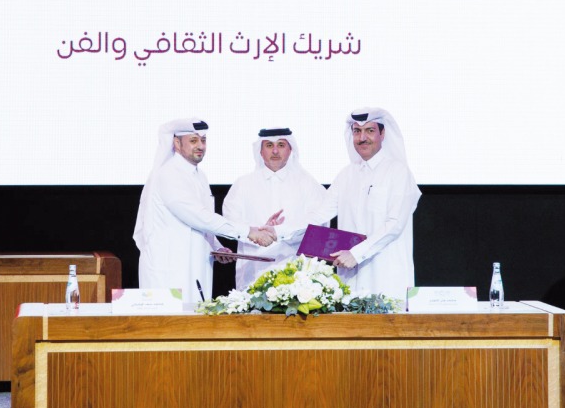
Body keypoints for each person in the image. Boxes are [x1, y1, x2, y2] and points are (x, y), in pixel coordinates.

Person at [133, 118, 274, 297]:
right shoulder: (168, 174)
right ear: (177, 143)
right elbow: (196, 216)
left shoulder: (200, 176)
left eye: (203, 140)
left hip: (195, 266)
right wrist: (248, 231)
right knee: (170, 323)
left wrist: (216, 247)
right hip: (170, 270)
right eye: (193, 141)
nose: (200, 146)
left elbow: (203, 220)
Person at [305, 107, 420, 301]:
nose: (362, 138)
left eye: (370, 130)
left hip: (386, 277)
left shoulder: (399, 172)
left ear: (383, 134)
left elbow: (394, 225)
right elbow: (319, 214)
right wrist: (277, 231)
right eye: (357, 131)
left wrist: (356, 254)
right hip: (350, 279)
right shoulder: (346, 175)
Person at [222, 127, 329, 290]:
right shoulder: (243, 184)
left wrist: (284, 232)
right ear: (260, 150)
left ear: (290, 149)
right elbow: (230, 220)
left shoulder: (308, 184)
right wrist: (257, 232)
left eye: (281, 144)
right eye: (269, 145)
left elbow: (320, 223)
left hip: (298, 274)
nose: (275, 151)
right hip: (253, 270)